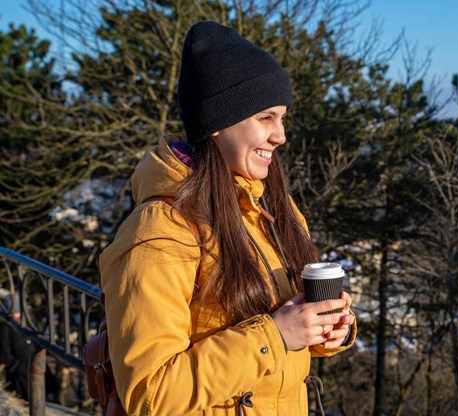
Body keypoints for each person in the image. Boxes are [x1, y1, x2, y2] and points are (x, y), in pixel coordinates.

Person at [99, 21, 356, 415]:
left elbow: (283, 335)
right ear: (218, 123)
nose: (281, 135)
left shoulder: (272, 208)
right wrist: (276, 334)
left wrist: (325, 328)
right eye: (266, 118)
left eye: (283, 118)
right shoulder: (161, 230)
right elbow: (150, 395)